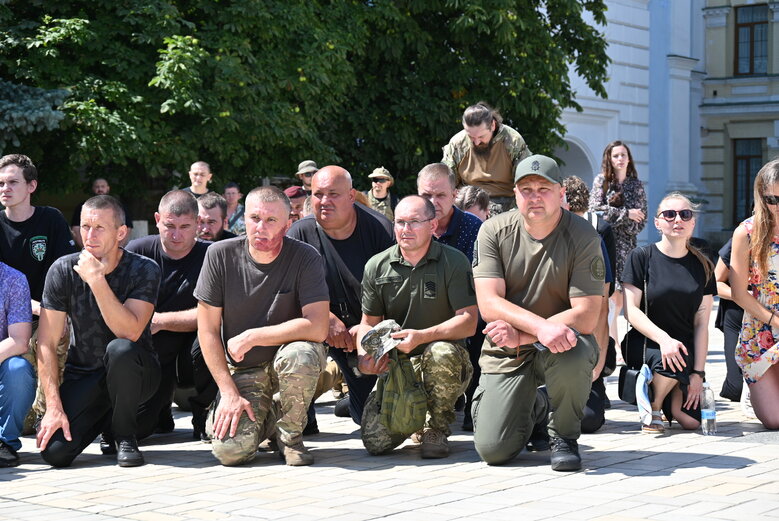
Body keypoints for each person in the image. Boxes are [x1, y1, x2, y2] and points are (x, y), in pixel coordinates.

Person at [472, 154, 603, 471]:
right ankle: (539, 406)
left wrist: (524, 333)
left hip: (561, 344)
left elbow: (585, 314)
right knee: (494, 450)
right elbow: (489, 303)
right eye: (526, 189)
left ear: (561, 193)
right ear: (515, 194)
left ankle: (564, 437)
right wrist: (538, 330)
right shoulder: (493, 231)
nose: (534, 196)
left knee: (574, 351)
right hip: (508, 350)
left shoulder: (584, 236)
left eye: (543, 188)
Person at [195, 186, 329, 466]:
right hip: (245, 370)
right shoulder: (219, 255)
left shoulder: (305, 257)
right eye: (255, 218)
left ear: (288, 223)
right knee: (230, 452)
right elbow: (206, 331)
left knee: (301, 353)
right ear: (244, 219)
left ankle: (291, 437)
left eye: (271, 221)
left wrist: (254, 336)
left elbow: (317, 327)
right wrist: (230, 393)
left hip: (289, 366)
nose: (261, 228)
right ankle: (268, 415)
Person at [36, 195, 162, 468]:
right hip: (85, 373)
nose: (89, 236)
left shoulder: (144, 269)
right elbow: (46, 342)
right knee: (55, 453)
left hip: (137, 372)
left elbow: (128, 332)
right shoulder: (62, 270)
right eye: (84, 227)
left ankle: (124, 436)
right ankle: (105, 417)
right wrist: (54, 407)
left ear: (121, 232)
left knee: (120, 349)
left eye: (99, 228)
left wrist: (96, 279)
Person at [357, 196, 476, 458]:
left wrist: (422, 337)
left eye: (414, 222)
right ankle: (415, 420)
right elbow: (368, 323)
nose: (405, 229)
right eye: (400, 222)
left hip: (446, 361)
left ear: (432, 225)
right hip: (399, 367)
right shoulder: (376, 265)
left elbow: (469, 321)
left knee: (440, 352)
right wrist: (365, 356)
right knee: (375, 443)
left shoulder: (454, 262)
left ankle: (437, 428)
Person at [287, 166, 394, 426]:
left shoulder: (379, 230)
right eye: (318, 194)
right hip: (318, 329)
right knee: (294, 349)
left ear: (351, 196)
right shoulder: (299, 234)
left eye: (333, 194)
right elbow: (284, 295)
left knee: (372, 422)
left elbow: (397, 295)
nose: (324, 201)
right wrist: (325, 319)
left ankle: (351, 399)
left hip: (366, 331)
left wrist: (367, 327)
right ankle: (298, 415)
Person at [621, 193, 715, 434]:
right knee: (673, 359)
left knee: (692, 421)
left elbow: (702, 325)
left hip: (683, 348)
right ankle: (653, 405)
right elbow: (631, 311)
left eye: (685, 214)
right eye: (669, 214)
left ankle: (668, 390)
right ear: (657, 222)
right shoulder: (641, 257)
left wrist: (698, 374)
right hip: (646, 340)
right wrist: (664, 340)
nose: (677, 220)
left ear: (692, 222)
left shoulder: (703, 265)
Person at [0, 154, 76, 432]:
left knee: (55, 334)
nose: (4, 189)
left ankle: (48, 413)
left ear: (31, 186)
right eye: (0, 184)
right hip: (8, 319)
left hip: (47, 312)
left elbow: (67, 271)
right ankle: (22, 415)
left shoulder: (50, 219)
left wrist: (49, 310)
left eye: (12, 182)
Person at [126, 190, 211, 441]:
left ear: (197, 223)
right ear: (157, 219)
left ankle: (204, 413)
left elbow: (216, 314)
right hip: (152, 355)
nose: (176, 235)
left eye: (185, 226)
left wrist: (160, 321)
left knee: (213, 336)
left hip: (193, 353)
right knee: (138, 429)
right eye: (169, 226)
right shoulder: (136, 252)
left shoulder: (212, 255)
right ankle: (161, 409)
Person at [417, 163, 483, 430]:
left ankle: (475, 400)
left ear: (454, 194)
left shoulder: (473, 228)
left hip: (468, 314)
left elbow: (480, 281)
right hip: (423, 313)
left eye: (440, 195)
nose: (432, 202)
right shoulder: (409, 226)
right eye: (426, 196)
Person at [562, 175, 616, 433]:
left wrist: (597, 365)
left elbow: (602, 309)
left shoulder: (592, 240)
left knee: (588, 419)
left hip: (581, 344)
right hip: (538, 344)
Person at [731, 158, 779, 429]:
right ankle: (758, 389)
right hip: (761, 330)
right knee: (775, 420)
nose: (778, 207)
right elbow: (738, 293)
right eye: (772, 199)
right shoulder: (746, 233)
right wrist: (775, 321)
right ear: (761, 197)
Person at [588, 141, 647, 347]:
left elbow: (642, 220)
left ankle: (614, 342)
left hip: (628, 246)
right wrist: (627, 214)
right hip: (605, 243)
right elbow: (596, 210)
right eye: (616, 156)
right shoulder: (601, 181)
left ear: (629, 158)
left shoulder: (636, 185)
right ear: (609, 159)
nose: (620, 159)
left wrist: (620, 219)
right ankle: (611, 345)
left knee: (622, 299)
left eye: (623, 155)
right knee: (610, 295)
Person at [442, 102, 532, 214]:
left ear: (492, 126)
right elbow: (447, 182)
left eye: (481, 136)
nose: (476, 142)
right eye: (471, 137)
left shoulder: (513, 141)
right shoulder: (458, 144)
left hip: (506, 203)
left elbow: (526, 181)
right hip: (467, 202)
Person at [0, 262, 34, 467]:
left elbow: (20, 341)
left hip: (2, 359)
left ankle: (5, 440)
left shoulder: (14, 279)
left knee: (18, 370)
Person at [714, 238, 745, 403]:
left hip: (772, 315)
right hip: (738, 313)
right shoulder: (744, 234)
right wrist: (747, 297)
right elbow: (716, 283)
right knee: (736, 388)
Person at [70, 178, 134, 248]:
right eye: (97, 187)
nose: (100, 189)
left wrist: (117, 247)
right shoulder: (83, 207)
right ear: (93, 188)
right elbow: (76, 229)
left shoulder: (118, 206)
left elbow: (127, 228)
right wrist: (86, 247)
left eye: (102, 186)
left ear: (108, 188)